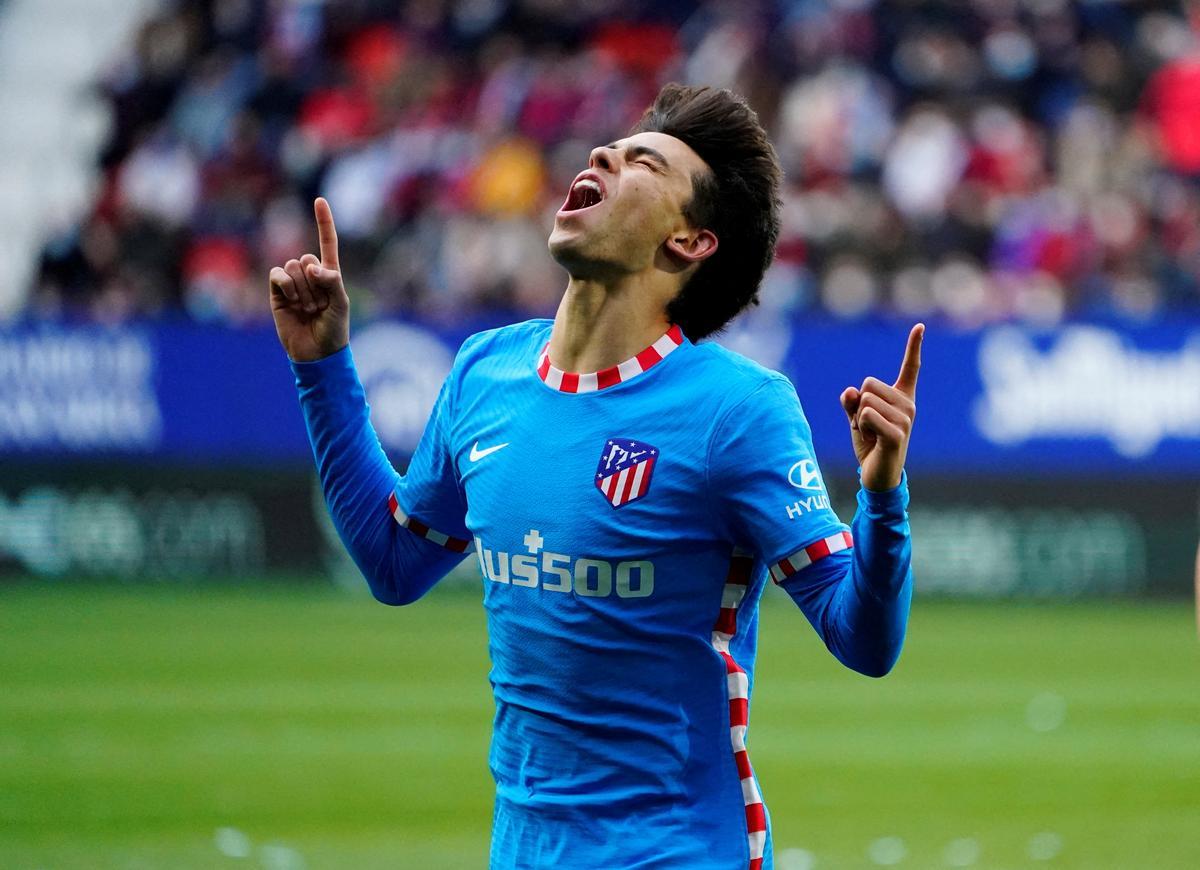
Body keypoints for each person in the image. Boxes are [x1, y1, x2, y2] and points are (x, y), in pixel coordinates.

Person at [269, 84, 919, 870]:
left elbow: (865, 640)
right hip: (521, 851)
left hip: (678, 853)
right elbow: (393, 561)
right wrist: (322, 366)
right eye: (609, 148)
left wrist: (881, 497)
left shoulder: (736, 412)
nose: (605, 154)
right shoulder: (485, 373)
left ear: (690, 242)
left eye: (643, 162)